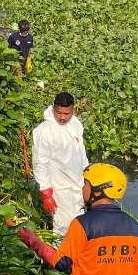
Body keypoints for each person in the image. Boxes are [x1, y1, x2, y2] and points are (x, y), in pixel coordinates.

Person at [32, 92, 89, 236]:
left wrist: (88, 175)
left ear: (73, 110)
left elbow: (81, 152)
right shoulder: (45, 131)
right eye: (59, 113)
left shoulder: (75, 124)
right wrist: (46, 194)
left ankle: (76, 255)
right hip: (60, 188)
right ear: (53, 109)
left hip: (78, 184)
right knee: (63, 227)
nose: (62, 117)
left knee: (79, 223)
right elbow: (40, 164)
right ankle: (60, 256)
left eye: (66, 113)